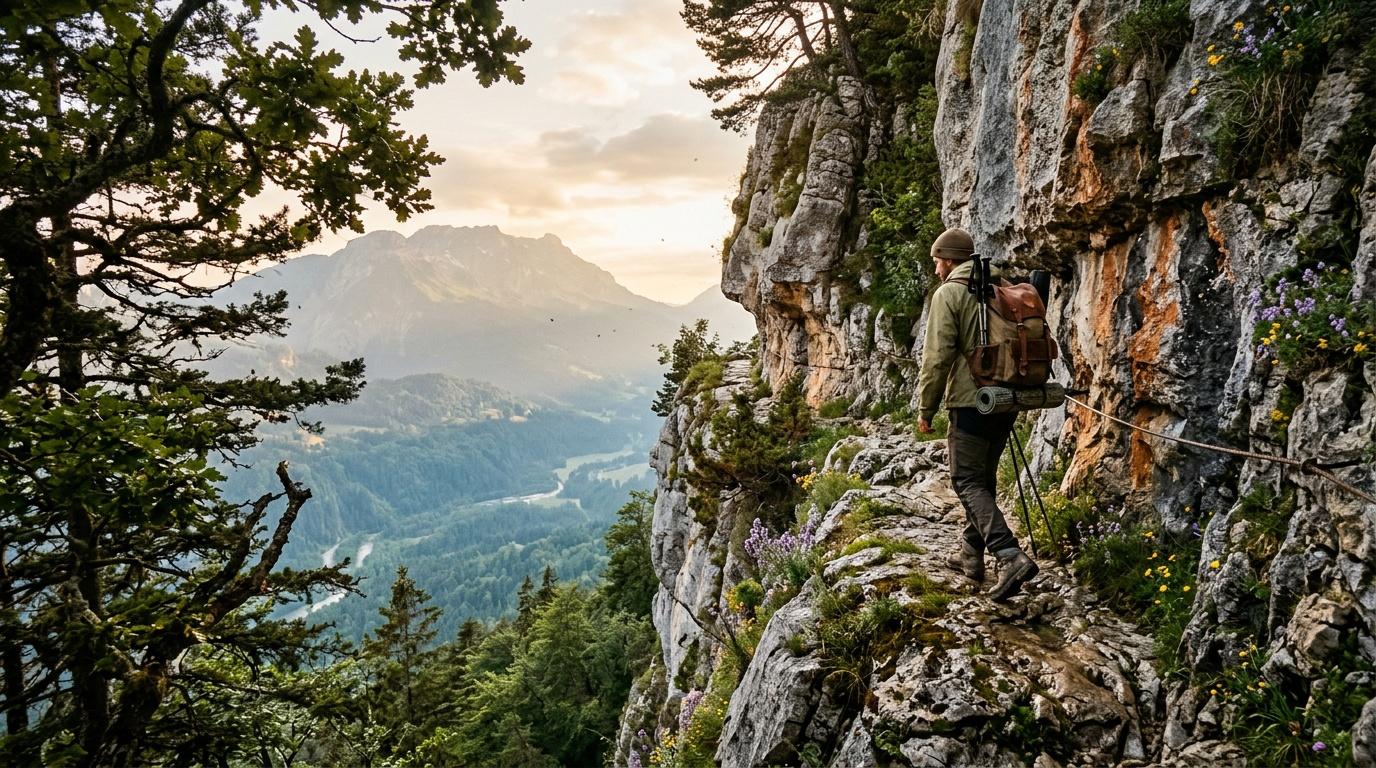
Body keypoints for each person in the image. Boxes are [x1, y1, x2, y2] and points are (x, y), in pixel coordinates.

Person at [915, 227, 1039, 602]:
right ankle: (971, 556)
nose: (936, 267)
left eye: (938, 259)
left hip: (971, 401)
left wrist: (926, 408)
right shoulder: (997, 289)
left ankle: (1008, 554)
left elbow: (937, 358)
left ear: (948, 259)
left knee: (965, 481)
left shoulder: (950, 293)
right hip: (1007, 398)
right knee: (982, 480)